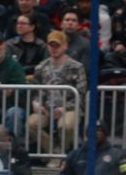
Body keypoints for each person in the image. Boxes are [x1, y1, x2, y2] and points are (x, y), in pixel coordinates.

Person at [28, 30, 87, 160]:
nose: (54, 49)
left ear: (65, 46)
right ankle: (53, 152)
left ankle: (62, 152)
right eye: (51, 46)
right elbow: (36, 90)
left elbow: (81, 94)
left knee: (65, 125)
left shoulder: (77, 67)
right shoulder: (41, 67)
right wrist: (36, 103)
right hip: (47, 107)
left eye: (57, 46)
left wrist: (64, 108)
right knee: (31, 124)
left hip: (71, 107)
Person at [60, 8, 91, 73]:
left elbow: (84, 71)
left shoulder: (86, 45)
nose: (70, 23)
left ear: (78, 25)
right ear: (61, 24)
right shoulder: (53, 43)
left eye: (74, 20)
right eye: (67, 20)